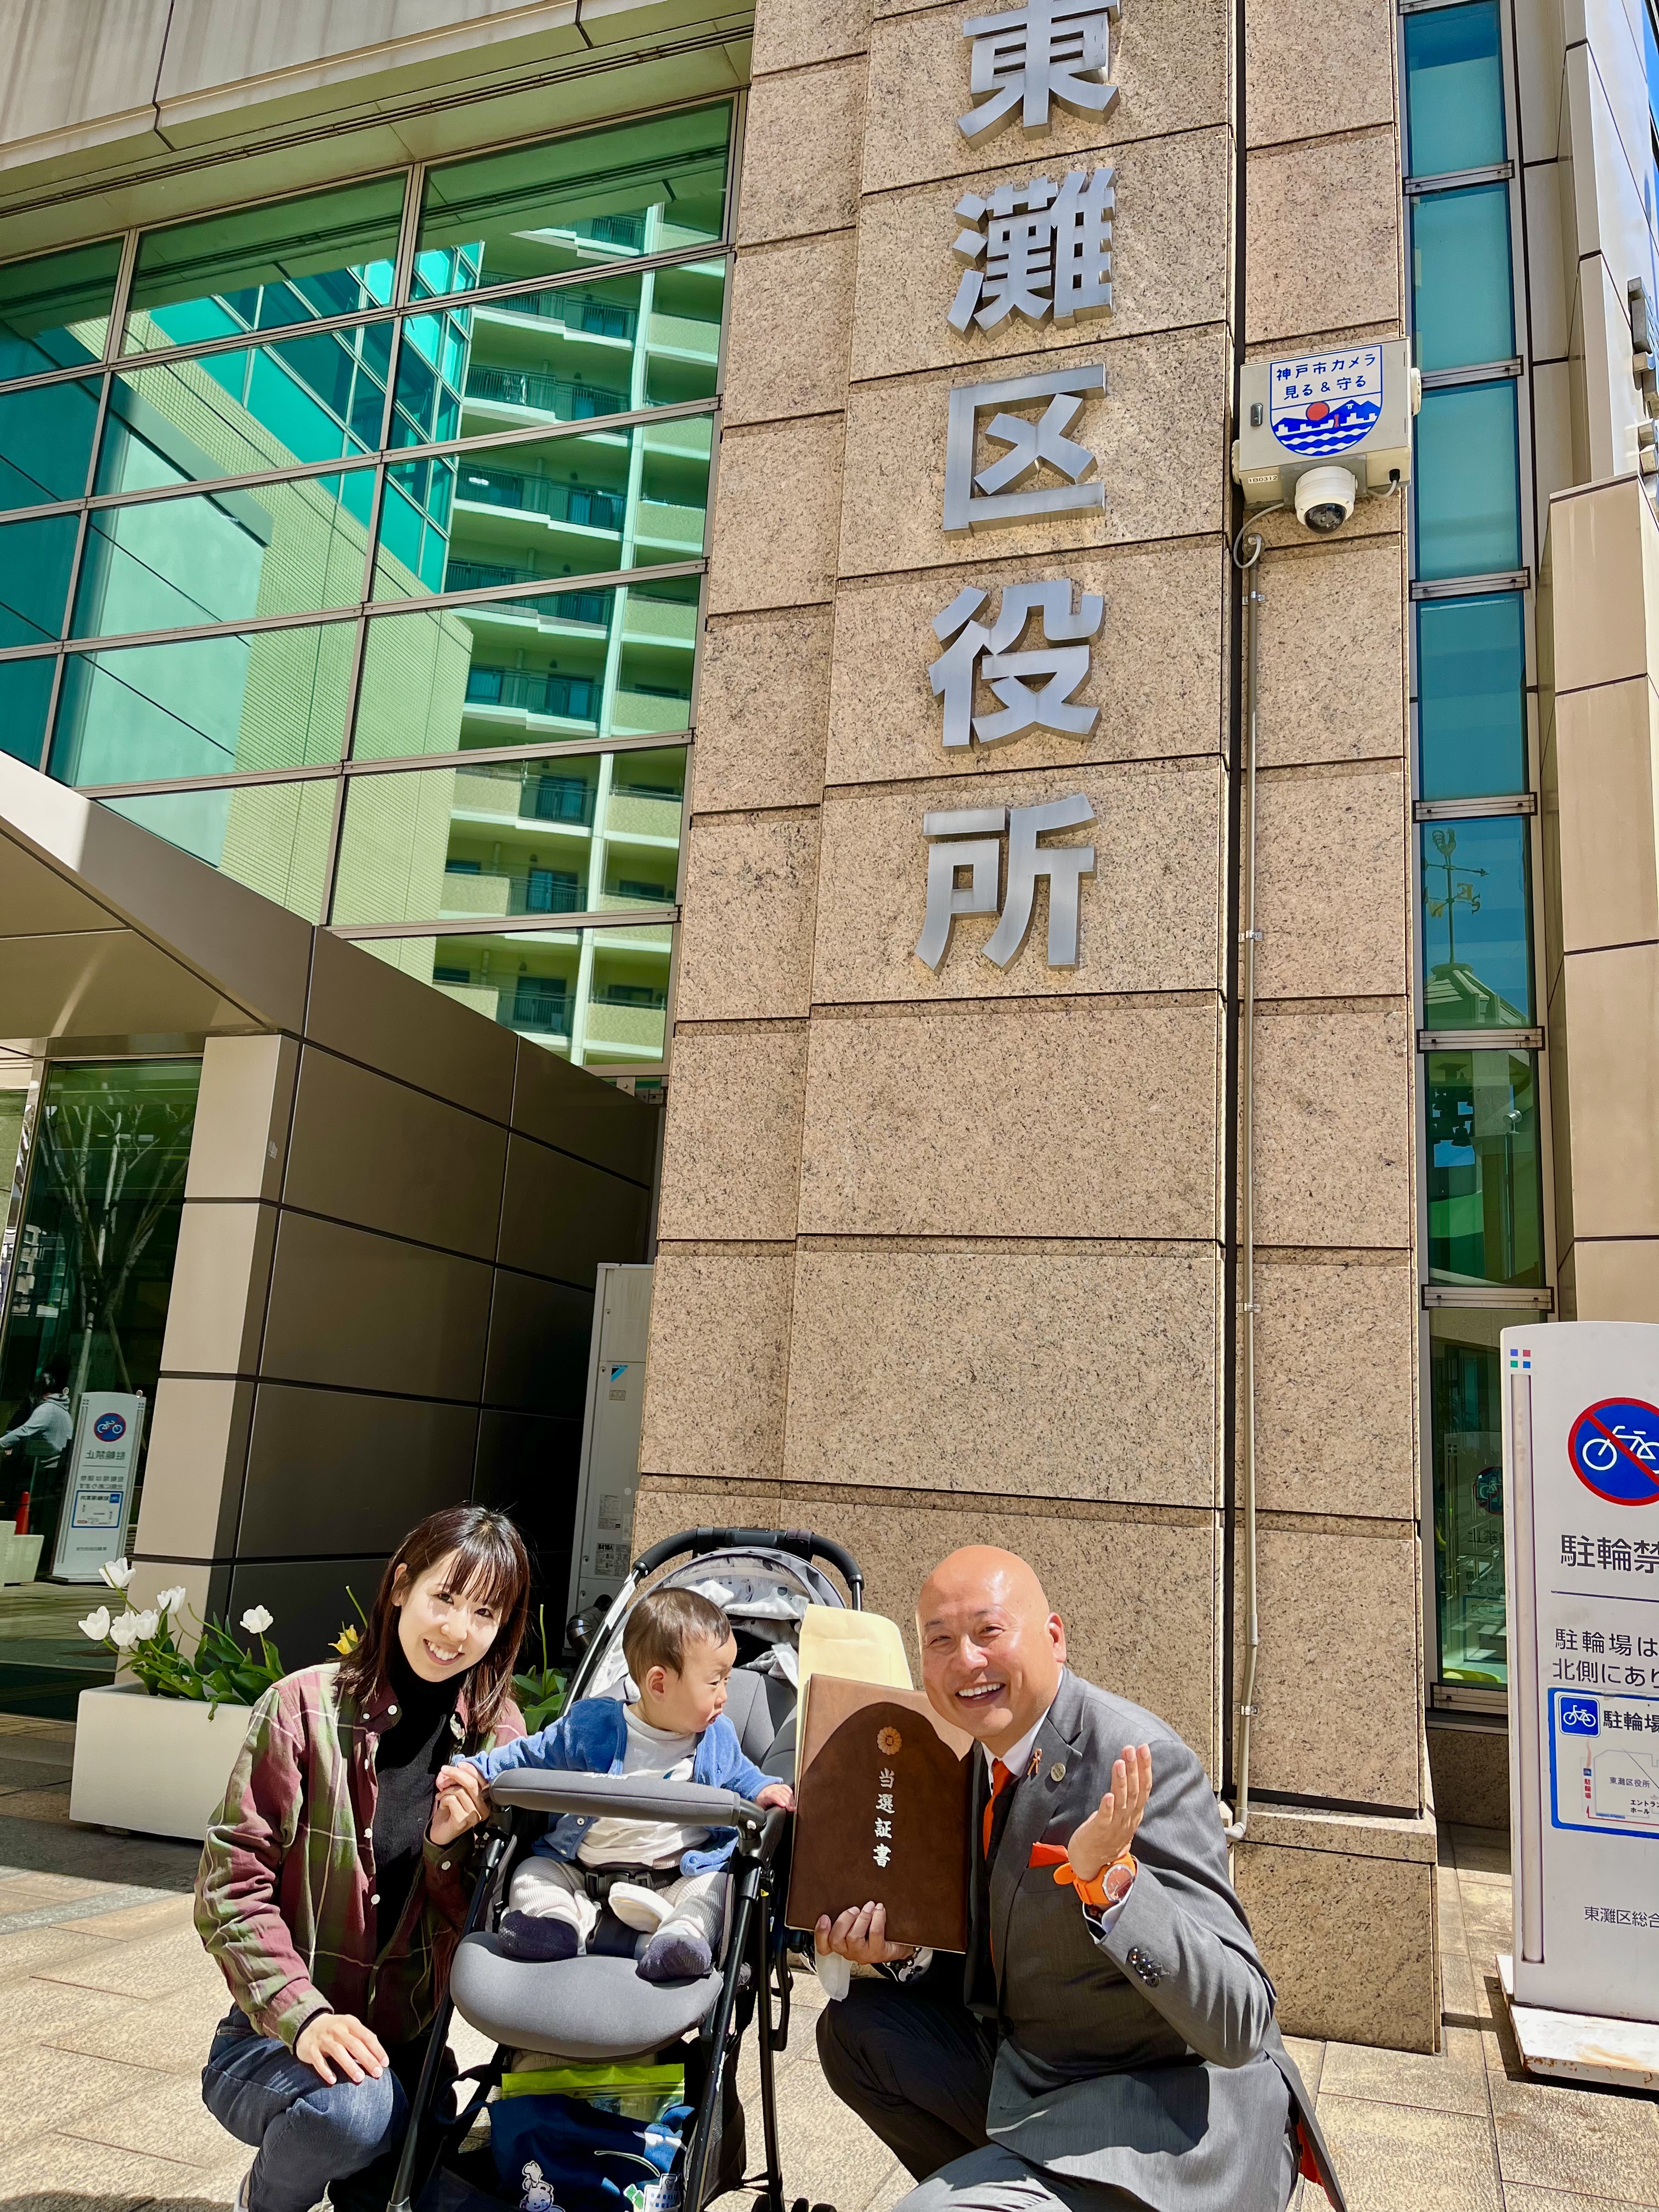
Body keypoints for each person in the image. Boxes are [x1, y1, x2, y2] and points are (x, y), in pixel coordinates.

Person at [812, 1546, 1344, 2212]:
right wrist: (905, 1953)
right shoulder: (971, 1757)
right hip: (1043, 2080)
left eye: (988, 1631)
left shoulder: (1139, 1762)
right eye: (940, 1641)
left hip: (1159, 2116)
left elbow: (1239, 2019)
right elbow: (1001, 1963)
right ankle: (1014, 2187)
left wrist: (1114, 1885)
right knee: (856, 2033)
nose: (966, 1661)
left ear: (1055, 1638)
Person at [195, 1504, 532, 2212]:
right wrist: (305, 2016)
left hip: (410, 2060)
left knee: (418, 2172)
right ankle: (266, 2202)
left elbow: (491, 1923)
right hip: (276, 2043)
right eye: (445, 1598)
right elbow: (231, 1890)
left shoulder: (498, 1737)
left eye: (484, 1613)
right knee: (353, 2113)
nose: (457, 1630)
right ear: (402, 1586)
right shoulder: (303, 1708)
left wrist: (446, 1850)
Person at [444, 1585, 794, 1982]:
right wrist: (479, 1769)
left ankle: (680, 1938)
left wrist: (764, 1789)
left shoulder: (716, 1738)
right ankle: (555, 1922)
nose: (725, 1697)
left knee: (715, 1889)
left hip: (677, 1878)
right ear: (659, 1684)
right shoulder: (590, 1727)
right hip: (582, 1873)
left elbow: (742, 1775)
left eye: (727, 1681)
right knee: (533, 1872)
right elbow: (530, 1755)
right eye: (715, 1683)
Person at [0, 1366, 71, 1475]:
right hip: (52, 1464)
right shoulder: (61, 1409)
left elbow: (26, 1430)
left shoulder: (48, 1409)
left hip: (44, 1469)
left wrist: (2, 1443)